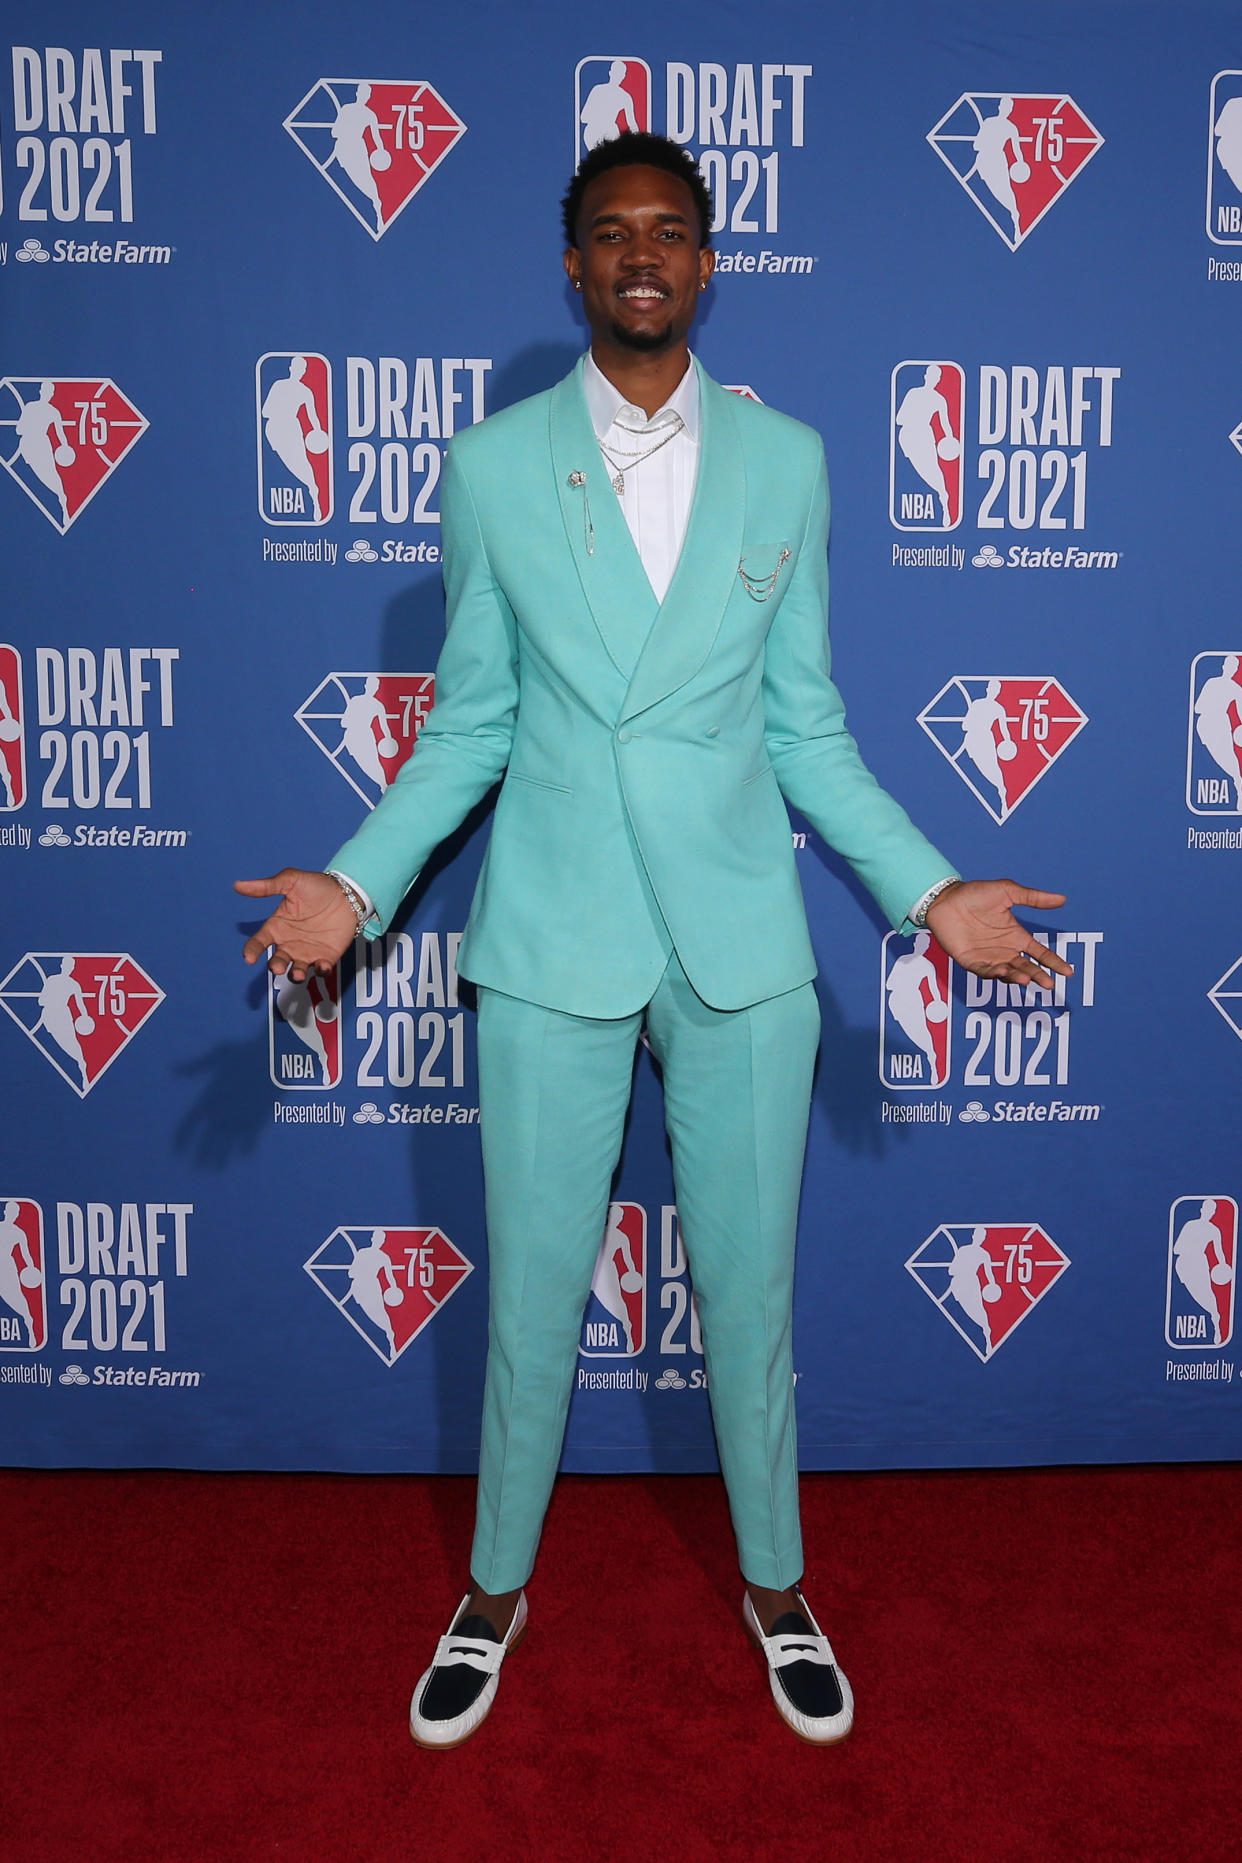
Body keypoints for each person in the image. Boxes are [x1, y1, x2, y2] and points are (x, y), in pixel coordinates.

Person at [236, 131, 1072, 1748]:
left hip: (739, 950)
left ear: (706, 264)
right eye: (611, 231)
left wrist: (927, 889)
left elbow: (808, 729)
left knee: (747, 1298)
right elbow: (467, 727)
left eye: (669, 232)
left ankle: (775, 1587)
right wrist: (355, 883)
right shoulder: (489, 469)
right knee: (534, 1295)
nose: (640, 254)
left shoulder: (793, 464)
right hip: (548, 943)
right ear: (572, 266)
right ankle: (493, 1589)